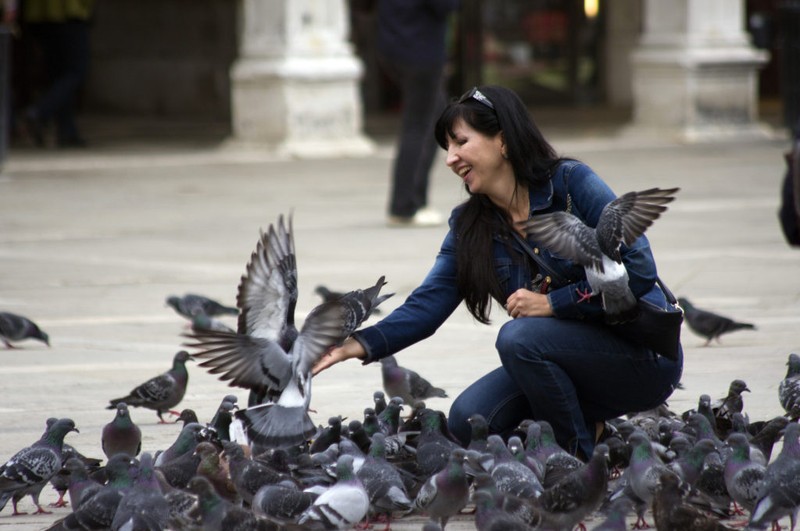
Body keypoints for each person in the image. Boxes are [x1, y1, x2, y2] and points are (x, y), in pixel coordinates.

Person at [314, 85, 683, 459]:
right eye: (447, 148)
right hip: (564, 358)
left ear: (502, 141)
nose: (450, 159)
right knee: (469, 419)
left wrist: (554, 303)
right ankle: (587, 424)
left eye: (460, 142)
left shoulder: (571, 184)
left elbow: (639, 271)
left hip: (641, 353)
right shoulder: (471, 226)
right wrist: (353, 345)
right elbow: (427, 305)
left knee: (518, 338)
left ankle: (574, 460)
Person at [377, 0, 459, 227]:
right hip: (420, 51)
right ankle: (404, 206)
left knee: (438, 116)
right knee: (420, 125)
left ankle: (416, 200)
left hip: (395, 46)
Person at [17, 0, 95, 148]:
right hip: (69, 12)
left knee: (58, 74)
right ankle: (39, 112)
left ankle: (66, 130)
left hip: (39, 15)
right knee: (77, 70)